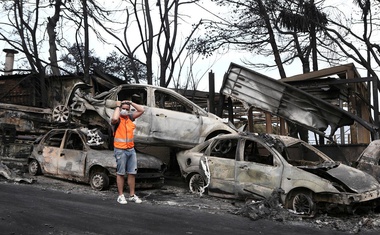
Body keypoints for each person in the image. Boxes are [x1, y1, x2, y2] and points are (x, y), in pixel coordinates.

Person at [111, 100, 144, 204]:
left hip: (131, 150)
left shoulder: (130, 118)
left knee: (132, 173)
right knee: (120, 173)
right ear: (120, 109)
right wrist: (117, 106)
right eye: (123, 109)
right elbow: (114, 118)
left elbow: (142, 110)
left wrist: (131, 102)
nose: (125, 111)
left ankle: (132, 195)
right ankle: (120, 196)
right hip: (120, 150)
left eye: (127, 109)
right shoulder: (117, 120)